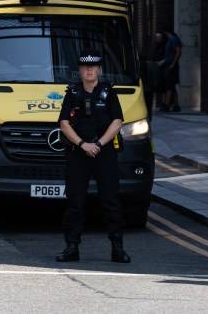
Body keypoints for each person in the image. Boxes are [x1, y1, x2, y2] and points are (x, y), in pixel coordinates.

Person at [55, 49, 130, 264]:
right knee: (75, 201)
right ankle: (71, 247)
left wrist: (98, 144)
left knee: (111, 200)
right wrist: (82, 144)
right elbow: (64, 124)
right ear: (80, 69)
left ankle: (117, 248)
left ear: (99, 69)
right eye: (85, 66)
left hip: (103, 150)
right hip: (78, 151)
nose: (89, 69)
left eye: (93, 66)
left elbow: (117, 121)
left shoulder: (109, 93)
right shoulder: (72, 93)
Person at [158, 28, 182, 112]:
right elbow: (169, 56)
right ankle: (176, 105)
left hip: (171, 65)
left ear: (166, 32)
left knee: (169, 85)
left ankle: (167, 105)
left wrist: (173, 64)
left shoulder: (172, 39)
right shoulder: (170, 40)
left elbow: (178, 51)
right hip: (169, 64)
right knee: (172, 86)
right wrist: (161, 62)